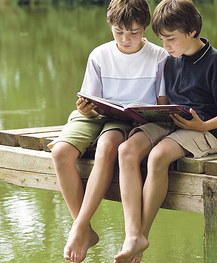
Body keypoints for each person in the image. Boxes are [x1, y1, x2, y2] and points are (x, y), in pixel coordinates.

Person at [114, 0, 217, 262]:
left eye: (171, 39)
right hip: (175, 123)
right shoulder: (171, 61)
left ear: (192, 30)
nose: (166, 46)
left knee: (158, 156)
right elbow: (166, 102)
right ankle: (132, 233)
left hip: (208, 129)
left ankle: (142, 236)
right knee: (127, 149)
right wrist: (146, 116)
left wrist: (203, 126)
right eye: (161, 39)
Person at [48, 0, 169, 262]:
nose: (126, 39)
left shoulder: (159, 56)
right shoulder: (99, 55)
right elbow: (90, 106)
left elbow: (162, 105)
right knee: (59, 152)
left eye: (134, 33)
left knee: (107, 145)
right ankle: (84, 227)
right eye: (119, 32)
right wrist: (85, 110)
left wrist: (147, 118)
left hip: (130, 121)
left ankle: (78, 228)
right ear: (110, 26)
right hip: (95, 116)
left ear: (145, 28)